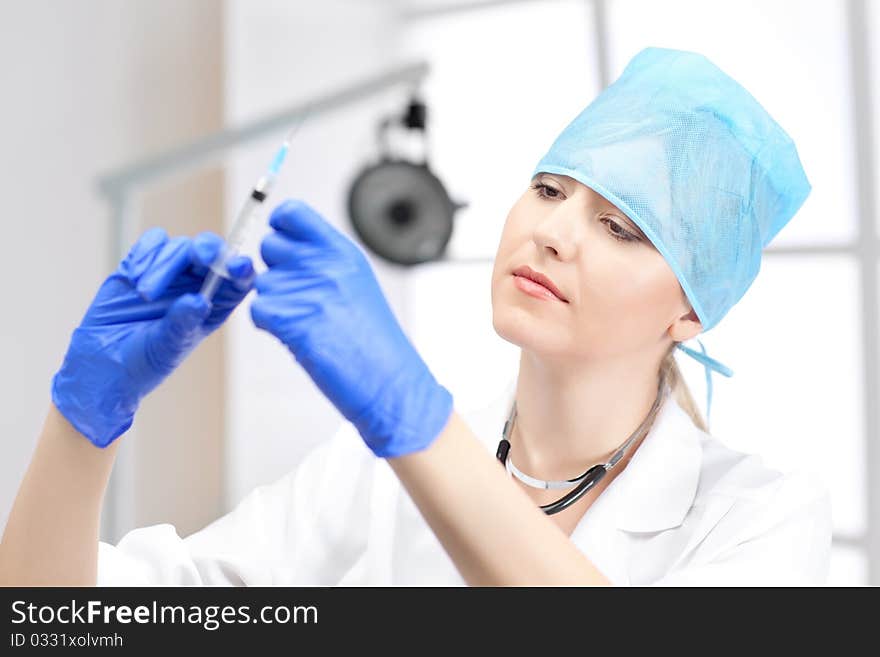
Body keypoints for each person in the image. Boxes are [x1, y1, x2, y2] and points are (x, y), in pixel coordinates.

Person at [0, 47, 831, 586]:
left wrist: (413, 419)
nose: (552, 234)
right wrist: (82, 422)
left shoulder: (760, 517)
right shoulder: (364, 477)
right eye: (548, 189)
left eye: (620, 227)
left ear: (691, 308)